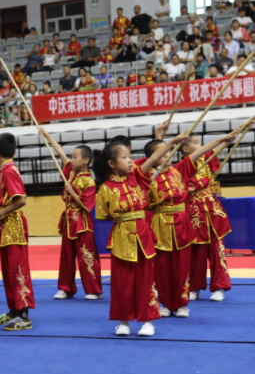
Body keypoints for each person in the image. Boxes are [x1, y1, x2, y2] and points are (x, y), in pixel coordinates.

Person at [136, 131, 240, 319]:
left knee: (184, 264)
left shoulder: (179, 169)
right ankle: (167, 303)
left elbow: (199, 153)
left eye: (169, 152)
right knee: (163, 266)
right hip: (163, 222)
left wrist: (222, 140)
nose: (168, 155)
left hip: (185, 220)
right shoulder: (145, 175)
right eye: (163, 153)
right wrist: (164, 139)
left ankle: (184, 302)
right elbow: (147, 161)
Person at [94, 136, 184, 337]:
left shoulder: (136, 177)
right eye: (125, 157)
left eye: (130, 157)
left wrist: (172, 143)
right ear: (111, 164)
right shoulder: (105, 188)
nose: (130, 161)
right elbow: (103, 215)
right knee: (122, 282)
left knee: (146, 279)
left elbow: (152, 159)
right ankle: (123, 322)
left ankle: (147, 321)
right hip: (121, 237)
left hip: (143, 235)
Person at [39, 129, 102, 300]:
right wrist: (47, 135)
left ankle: (93, 290)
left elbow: (85, 205)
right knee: (66, 257)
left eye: (75, 157)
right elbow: (60, 151)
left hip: (83, 223)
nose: (72, 160)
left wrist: (71, 190)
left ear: (86, 160)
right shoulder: (71, 173)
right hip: (68, 222)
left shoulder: (90, 181)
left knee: (86, 256)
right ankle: (65, 288)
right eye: (72, 157)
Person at [0, 132, 34, 330]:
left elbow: (21, 200)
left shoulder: (8, 171)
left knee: (17, 270)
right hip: (5, 226)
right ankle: (14, 311)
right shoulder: (4, 171)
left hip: (13, 227)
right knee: (8, 271)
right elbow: (0, 201)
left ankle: (24, 315)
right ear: (14, 152)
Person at [179, 136, 233, 303]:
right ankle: (194, 287)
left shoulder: (207, 159)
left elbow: (217, 148)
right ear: (185, 149)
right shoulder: (181, 166)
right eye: (196, 143)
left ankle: (219, 287)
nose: (200, 145)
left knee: (217, 250)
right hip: (193, 211)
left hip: (211, 210)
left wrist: (229, 138)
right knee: (196, 252)